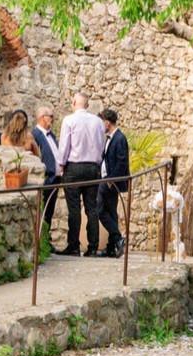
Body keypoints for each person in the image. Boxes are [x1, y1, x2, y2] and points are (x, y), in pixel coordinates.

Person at [56, 93, 105, 256]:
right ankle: (92, 247)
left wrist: (60, 166)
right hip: (92, 167)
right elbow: (101, 145)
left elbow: (64, 146)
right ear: (87, 105)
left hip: (74, 167)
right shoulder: (98, 122)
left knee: (74, 209)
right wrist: (97, 163)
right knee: (92, 208)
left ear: (74, 102)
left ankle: (74, 246)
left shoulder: (69, 120)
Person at [96, 109, 129, 258]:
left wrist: (111, 180)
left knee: (100, 209)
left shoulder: (119, 138)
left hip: (110, 181)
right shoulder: (110, 138)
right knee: (110, 212)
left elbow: (122, 162)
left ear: (107, 123)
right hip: (106, 179)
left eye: (101, 122)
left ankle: (117, 238)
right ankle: (112, 246)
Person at [32, 106, 61, 231]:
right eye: (51, 116)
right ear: (42, 118)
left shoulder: (51, 135)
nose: (53, 119)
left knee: (49, 212)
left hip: (55, 179)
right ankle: (42, 240)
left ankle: (46, 240)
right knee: (43, 212)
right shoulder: (35, 135)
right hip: (46, 178)